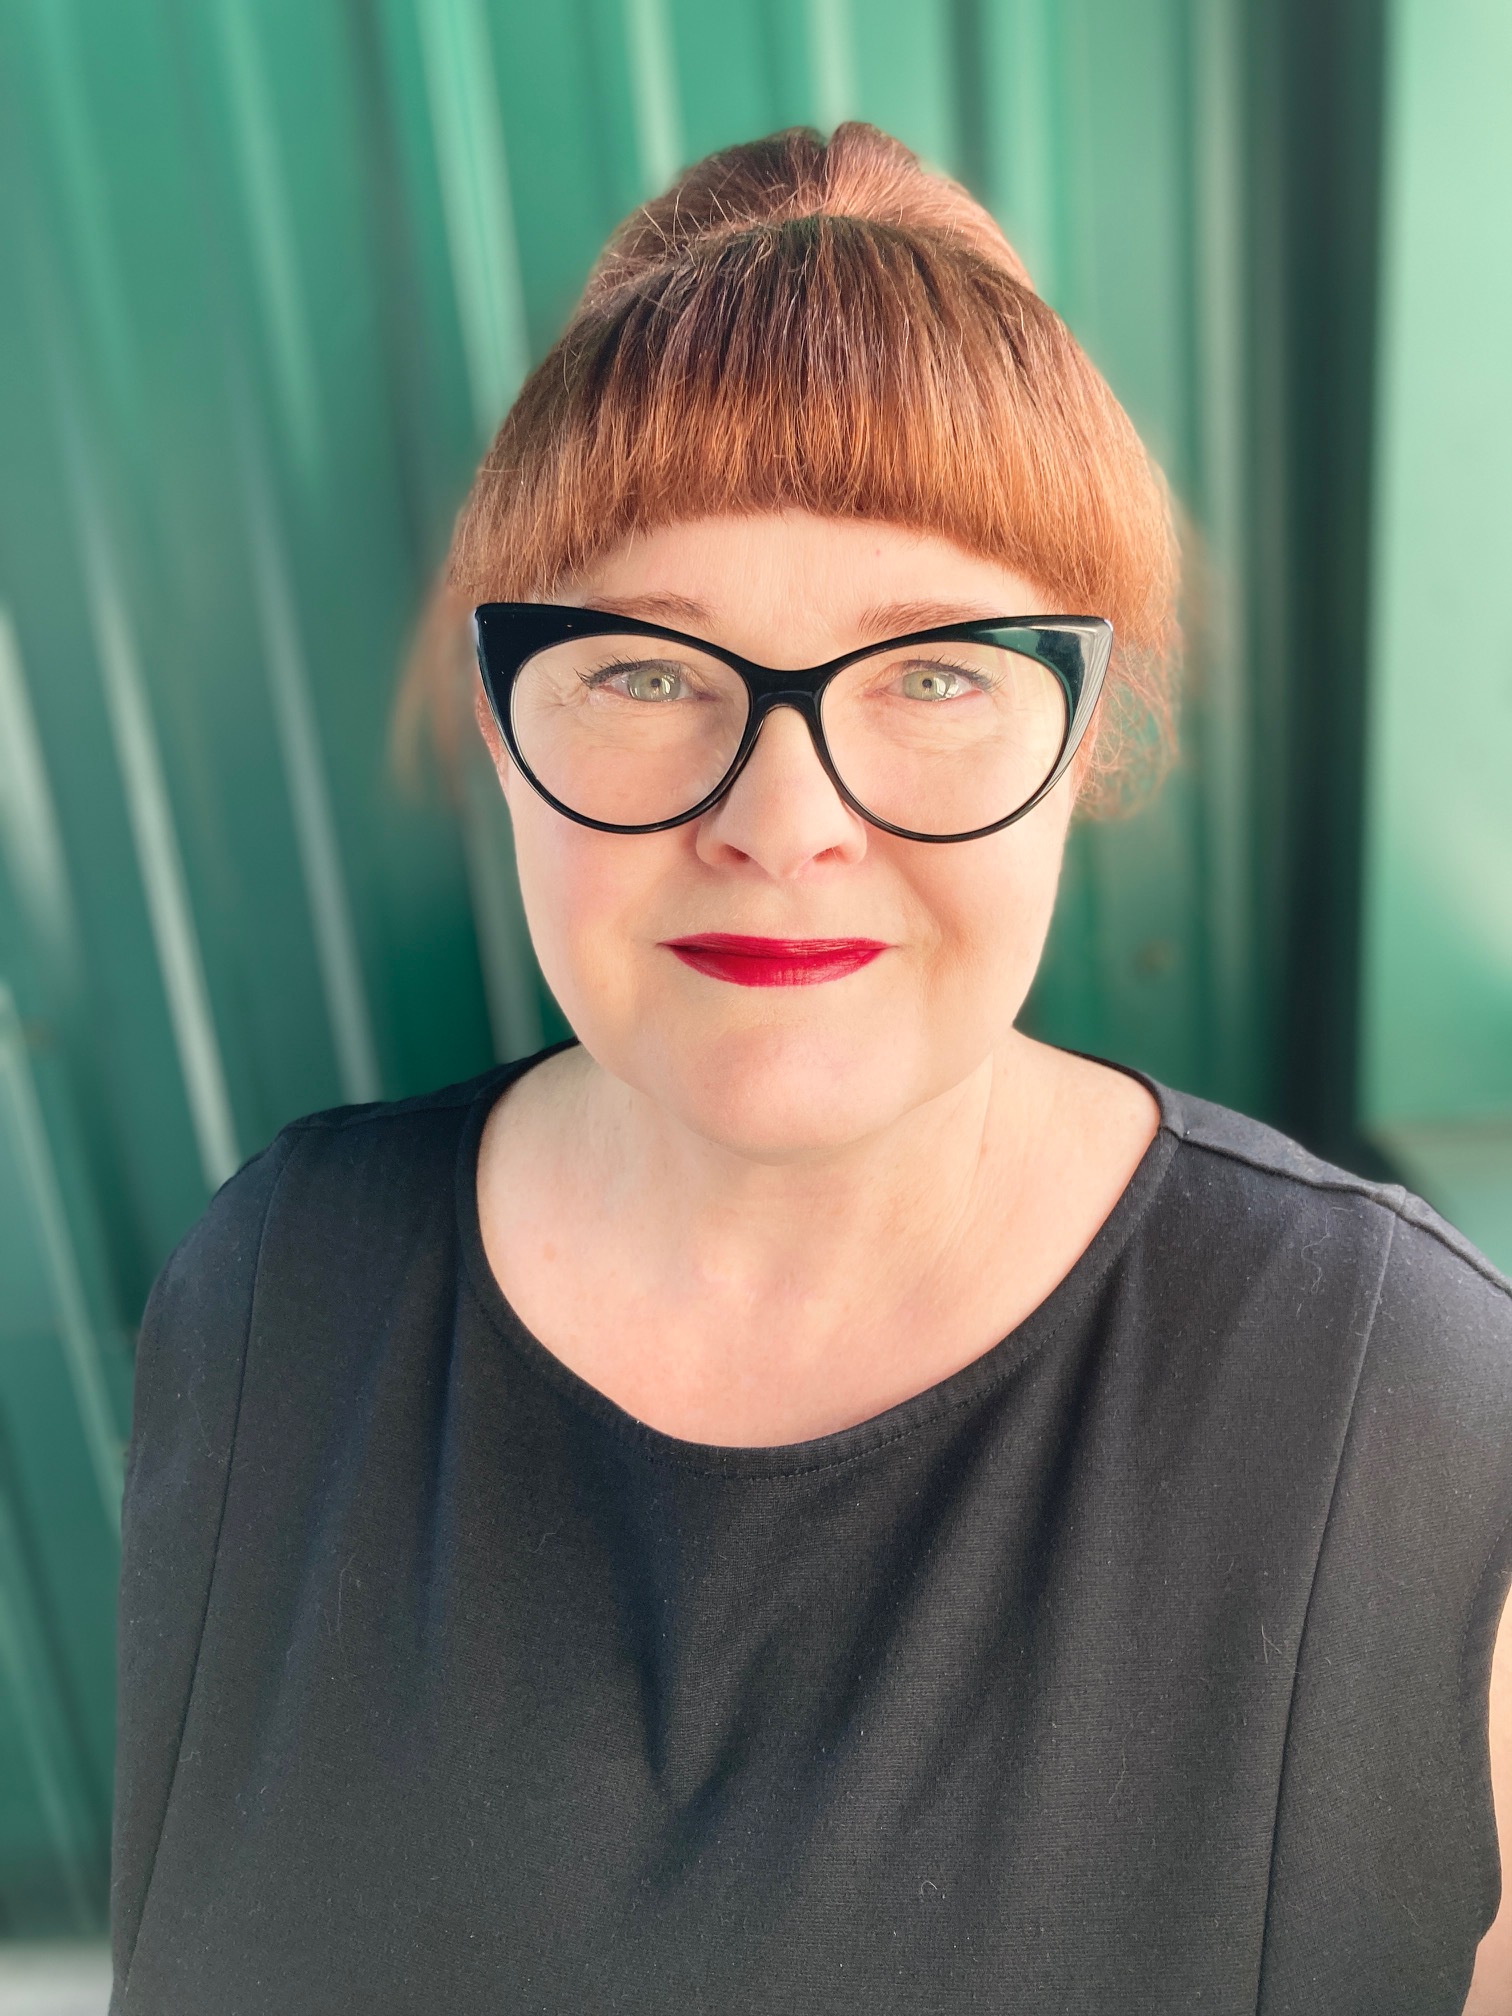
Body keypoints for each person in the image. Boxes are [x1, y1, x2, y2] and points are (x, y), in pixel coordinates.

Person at [109, 124, 1512, 2015]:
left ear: (1084, 737)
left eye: (934, 673)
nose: (785, 822)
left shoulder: (1415, 1408)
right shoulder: (278, 1283)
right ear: (504, 722)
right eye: (641, 666)